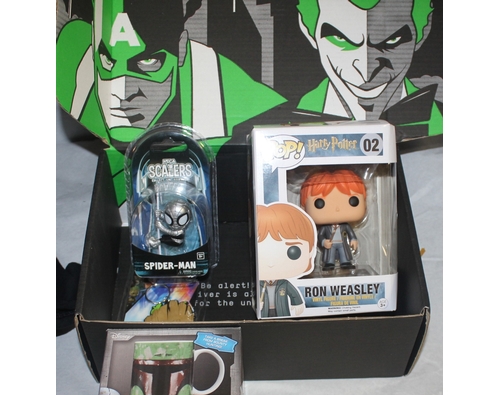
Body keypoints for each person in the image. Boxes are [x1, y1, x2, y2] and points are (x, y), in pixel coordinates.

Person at [56, 0, 286, 203]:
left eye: (148, 63)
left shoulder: (247, 102)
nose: (125, 91)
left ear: (181, 48)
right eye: (107, 61)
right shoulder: (74, 63)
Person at [296, 0, 442, 138]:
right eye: (341, 39)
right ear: (309, 31)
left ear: (423, 31)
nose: (366, 73)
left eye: (392, 41)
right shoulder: (296, 114)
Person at [256, 203, 316, 318]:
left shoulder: (284, 283)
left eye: (293, 252)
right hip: (263, 313)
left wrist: (297, 303)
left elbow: (293, 294)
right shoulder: (258, 285)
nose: (271, 264)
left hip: (282, 312)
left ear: (310, 251)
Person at [300, 169, 366, 270]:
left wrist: (353, 239)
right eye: (319, 203)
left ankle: (345, 262)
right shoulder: (324, 228)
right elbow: (320, 235)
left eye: (353, 201)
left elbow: (350, 233)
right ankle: (329, 263)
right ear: (303, 207)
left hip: (342, 243)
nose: (337, 209)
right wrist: (323, 242)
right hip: (330, 244)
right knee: (329, 255)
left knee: (344, 253)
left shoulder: (345, 226)